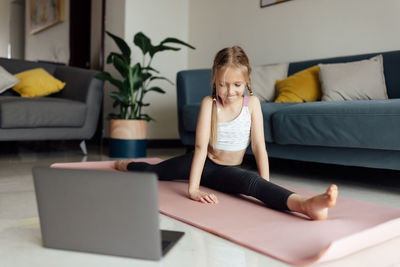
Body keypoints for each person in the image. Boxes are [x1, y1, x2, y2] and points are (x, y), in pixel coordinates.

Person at [115, 46, 338, 220]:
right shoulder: (209, 104)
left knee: (252, 183)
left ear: (247, 82)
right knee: (155, 172)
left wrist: (266, 184)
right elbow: (201, 147)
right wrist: (193, 190)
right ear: (214, 80)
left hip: (226, 171)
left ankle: (308, 206)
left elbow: (259, 145)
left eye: (237, 85)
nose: (229, 92)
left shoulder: (252, 104)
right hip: (203, 163)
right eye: (222, 85)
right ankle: (127, 165)